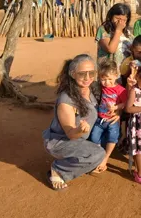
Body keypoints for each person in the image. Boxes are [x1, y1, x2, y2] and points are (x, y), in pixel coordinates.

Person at [42, 54, 108, 190]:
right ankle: (59, 169)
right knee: (98, 154)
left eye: (91, 73)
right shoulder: (66, 100)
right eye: (82, 74)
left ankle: (84, 160)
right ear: (72, 74)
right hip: (61, 141)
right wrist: (80, 130)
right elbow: (71, 134)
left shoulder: (93, 88)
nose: (87, 78)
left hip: (83, 139)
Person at [89, 59, 127, 170]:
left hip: (112, 120)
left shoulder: (121, 90)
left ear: (116, 75)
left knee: (112, 138)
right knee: (94, 137)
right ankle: (100, 154)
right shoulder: (101, 87)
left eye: (110, 79)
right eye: (103, 79)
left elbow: (125, 103)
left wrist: (116, 108)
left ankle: (105, 158)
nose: (107, 82)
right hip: (100, 118)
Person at [96, 3, 132, 69]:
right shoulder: (103, 30)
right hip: (108, 71)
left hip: (124, 71)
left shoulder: (128, 33)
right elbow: (111, 49)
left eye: (124, 20)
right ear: (111, 17)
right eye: (117, 18)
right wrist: (118, 30)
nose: (120, 22)